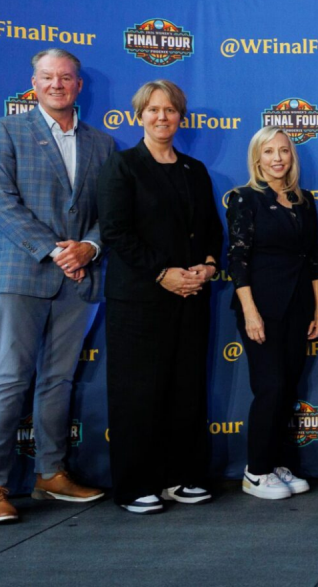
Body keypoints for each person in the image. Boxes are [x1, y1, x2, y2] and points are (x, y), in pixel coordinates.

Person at [0, 48, 114, 523]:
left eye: (66, 77)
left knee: (58, 380)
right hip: (23, 274)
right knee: (10, 378)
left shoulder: (103, 144)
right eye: (48, 77)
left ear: (79, 86)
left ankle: (51, 474)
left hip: (82, 279)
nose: (57, 84)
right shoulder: (6, 130)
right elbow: (0, 201)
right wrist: (56, 250)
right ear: (33, 83)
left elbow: (111, 212)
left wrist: (90, 248)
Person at [98, 80, 222, 514]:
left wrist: (208, 265)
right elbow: (116, 232)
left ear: (180, 117)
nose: (162, 117)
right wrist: (162, 273)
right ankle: (136, 486)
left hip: (191, 296)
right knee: (139, 393)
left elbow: (210, 229)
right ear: (139, 116)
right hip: (139, 301)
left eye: (170, 109)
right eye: (153, 109)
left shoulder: (194, 170)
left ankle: (182, 477)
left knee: (186, 389)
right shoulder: (122, 166)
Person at [227, 127, 318, 500]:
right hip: (261, 307)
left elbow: (313, 257)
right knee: (270, 387)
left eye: (283, 151)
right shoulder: (245, 198)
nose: (277, 158)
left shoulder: (305, 200)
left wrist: (317, 308)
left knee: (288, 388)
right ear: (257, 158)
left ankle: (278, 463)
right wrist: (250, 312)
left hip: (299, 307)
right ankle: (256, 471)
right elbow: (238, 259)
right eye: (269, 151)